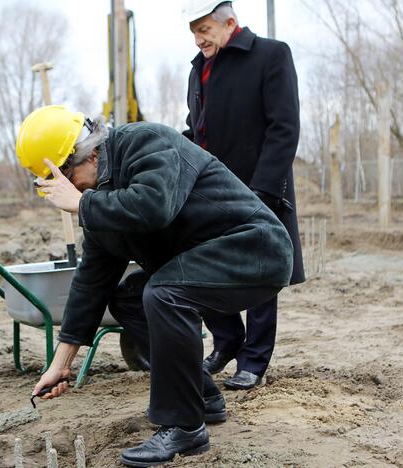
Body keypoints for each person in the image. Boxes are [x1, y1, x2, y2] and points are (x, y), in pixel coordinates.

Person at [18, 105, 293, 466]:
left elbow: (154, 206)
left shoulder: (145, 142)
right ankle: (203, 397)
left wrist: (83, 203)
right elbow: (91, 281)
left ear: (86, 155)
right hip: (207, 258)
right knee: (130, 297)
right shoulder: (99, 199)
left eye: (63, 180)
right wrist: (60, 363)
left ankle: (184, 427)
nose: (67, 192)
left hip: (255, 248)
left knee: (163, 293)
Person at [182, 0, 304, 390]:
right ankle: (227, 339)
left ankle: (253, 359)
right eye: (194, 31)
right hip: (211, 191)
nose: (199, 39)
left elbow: (284, 128)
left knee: (260, 274)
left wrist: (264, 192)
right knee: (204, 266)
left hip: (258, 188)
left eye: (204, 29)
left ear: (230, 22)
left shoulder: (271, 55)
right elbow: (195, 129)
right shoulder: (198, 68)